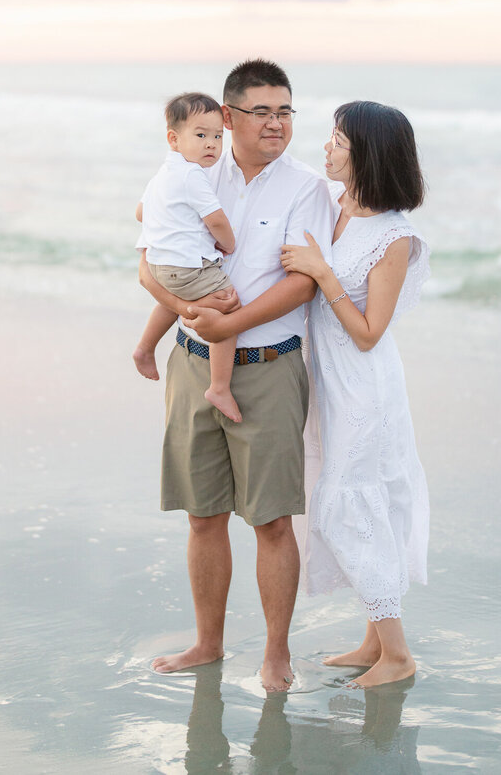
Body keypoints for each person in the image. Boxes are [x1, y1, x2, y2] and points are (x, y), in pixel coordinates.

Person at [138, 59, 334, 692]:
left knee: (273, 520)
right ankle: (208, 643)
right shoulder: (193, 170)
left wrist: (232, 323)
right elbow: (149, 261)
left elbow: (306, 283)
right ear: (228, 116)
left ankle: (276, 653)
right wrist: (193, 315)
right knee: (202, 515)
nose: (276, 123)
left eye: (285, 111)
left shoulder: (307, 187)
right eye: (262, 111)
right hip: (193, 364)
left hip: (269, 369)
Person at [280, 100, 430, 688]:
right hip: (328, 384)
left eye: (338, 140)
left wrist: (323, 274)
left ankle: (398, 654)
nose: (327, 148)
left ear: (366, 152)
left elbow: (370, 334)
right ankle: (373, 641)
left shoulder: (394, 236)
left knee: (354, 508)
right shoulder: (331, 201)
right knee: (349, 501)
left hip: (365, 389)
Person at [133, 92, 243, 424]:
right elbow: (217, 221)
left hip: (160, 263)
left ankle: (145, 347)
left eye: (218, 136)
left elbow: (140, 212)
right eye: (201, 135)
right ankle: (220, 386)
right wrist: (229, 244)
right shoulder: (193, 176)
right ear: (173, 138)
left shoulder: (162, 175)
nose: (211, 144)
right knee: (226, 305)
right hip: (187, 265)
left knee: (173, 299)